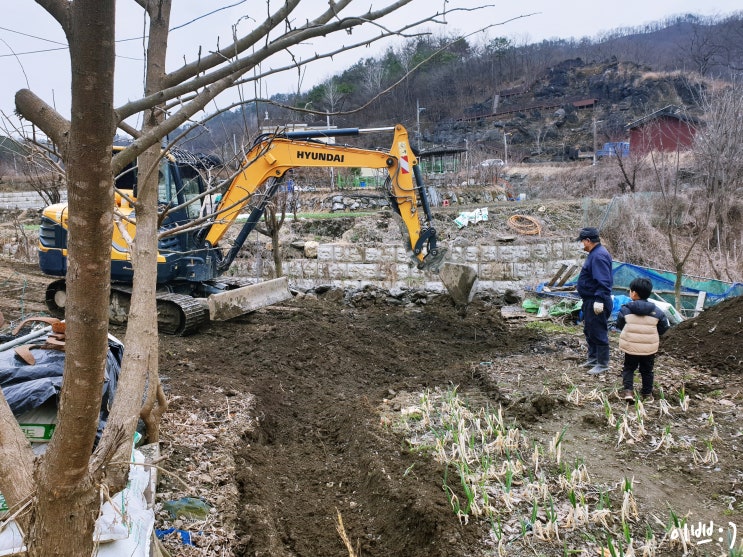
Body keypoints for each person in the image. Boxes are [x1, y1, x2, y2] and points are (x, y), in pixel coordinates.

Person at [616, 277, 670, 403]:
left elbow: (619, 325)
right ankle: (647, 394)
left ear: (634, 293)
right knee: (647, 371)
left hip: (631, 346)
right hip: (648, 348)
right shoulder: (657, 311)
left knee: (629, 368)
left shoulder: (626, 309)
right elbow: (663, 328)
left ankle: (628, 391)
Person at [575, 227, 614, 375]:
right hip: (589, 300)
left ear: (588, 241)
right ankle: (593, 358)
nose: (581, 245)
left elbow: (604, 281)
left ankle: (602, 363)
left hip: (597, 301)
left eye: (582, 241)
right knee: (589, 330)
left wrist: (599, 299)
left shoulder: (598, 256)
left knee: (598, 331)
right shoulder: (594, 254)